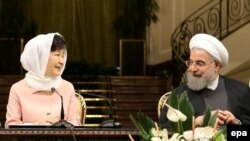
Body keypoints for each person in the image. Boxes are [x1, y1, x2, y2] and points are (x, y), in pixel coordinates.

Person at [159, 33, 250, 128]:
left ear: (216, 66)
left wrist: (237, 123)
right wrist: (196, 122)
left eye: (199, 63)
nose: (192, 68)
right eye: (190, 62)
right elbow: (164, 128)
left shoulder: (241, 90)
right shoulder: (178, 94)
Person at [5, 33, 81, 128]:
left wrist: (61, 125)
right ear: (41, 57)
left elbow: (75, 123)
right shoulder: (18, 89)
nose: (61, 61)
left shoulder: (67, 87)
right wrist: (41, 126)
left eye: (63, 55)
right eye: (57, 55)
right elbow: (11, 125)